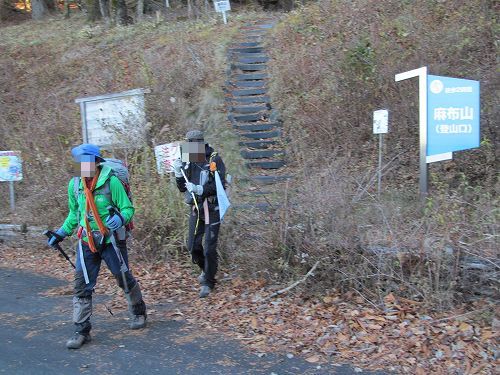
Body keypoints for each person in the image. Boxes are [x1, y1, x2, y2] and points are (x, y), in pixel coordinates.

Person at [47, 144, 147, 349]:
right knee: (81, 286)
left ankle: (138, 311)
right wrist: (61, 233)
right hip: (86, 241)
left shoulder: (112, 182)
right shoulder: (75, 185)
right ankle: (81, 330)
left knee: (123, 278)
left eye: (82, 162)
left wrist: (120, 219)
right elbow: (74, 215)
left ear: (94, 163)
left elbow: (128, 208)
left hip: (111, 240)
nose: (79, 166)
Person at [173, 130, 226, 298]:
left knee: (210, 247)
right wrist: (177, 174)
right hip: (196, 207)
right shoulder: (188, 159)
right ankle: (206, 269)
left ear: (201, 144)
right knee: (192, 246)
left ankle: (208, 282)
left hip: (213, 207)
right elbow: (182, 187)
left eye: (192, 144)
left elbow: (220, 186)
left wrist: (201, 189)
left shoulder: (214, 159)